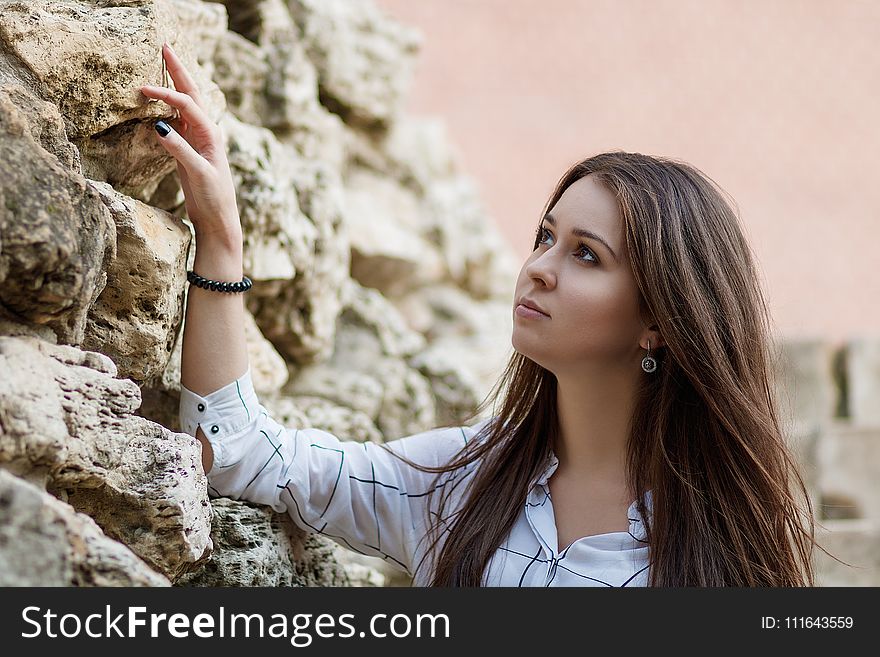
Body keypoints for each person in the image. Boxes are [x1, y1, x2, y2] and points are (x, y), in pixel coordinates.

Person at [143, 43, 826, 587]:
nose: (539, 267)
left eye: (587, 255)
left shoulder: (722, 551)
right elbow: (236, 451)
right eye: (545, 237)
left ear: (659, 319)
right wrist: (221, 236)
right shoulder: (460, 480)